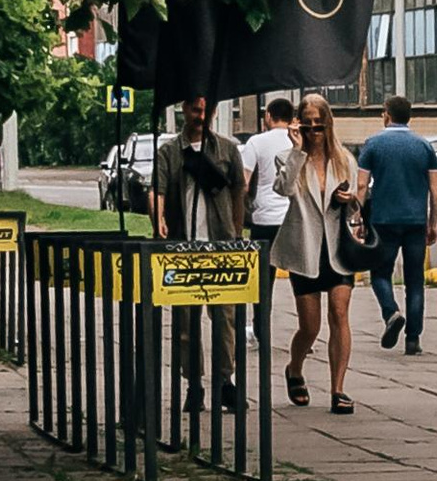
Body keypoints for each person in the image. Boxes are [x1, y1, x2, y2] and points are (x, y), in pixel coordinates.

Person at [150, 86, 247, 416]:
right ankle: (194, 384)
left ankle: (225, 382)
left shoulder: (227, 150)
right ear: (184, 110)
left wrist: (236, 231)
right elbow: (157, 190)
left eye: (205, 111)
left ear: (214, 112)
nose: (200, 117)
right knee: (186, 323)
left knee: (225, 319)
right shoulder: (169, 152)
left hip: (219, 244)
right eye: (194, 110)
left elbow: (238, 191)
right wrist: (158, 220)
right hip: (184, 245)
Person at [273, 92, 370, 412]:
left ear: (329, 125)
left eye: (320, 126)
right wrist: (298, 149)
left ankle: (338, 389)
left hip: (339, 249)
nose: (315, 132)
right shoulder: (290, 157)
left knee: (340, 314)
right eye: (309, 126)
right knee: (310, 326)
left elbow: (358, 199)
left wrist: (349, 200)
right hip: (305, 249)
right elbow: (283, 190)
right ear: (299, 125)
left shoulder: (344, 158)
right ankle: (295, 368)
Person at [357, 95, 437, 355]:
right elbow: (436, 190)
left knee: (380, 274)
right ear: (409, 116)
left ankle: (391, 312)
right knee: (415, 280)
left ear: (386, 114)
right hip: (415, 222)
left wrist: (357, 218)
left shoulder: (373, 144)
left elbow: (361, 185)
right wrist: (432, 223)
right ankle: (413, 339)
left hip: (383, 221)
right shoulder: (424, 146)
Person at [239, 92, 297, 293]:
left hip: (264, 219)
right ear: (292, 118)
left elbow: (243, 184)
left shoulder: (256, 142)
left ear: (269, 116)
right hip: (293, 219)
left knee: (263, 280)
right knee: (300, 281)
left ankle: (261, 321)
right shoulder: (299, 142)